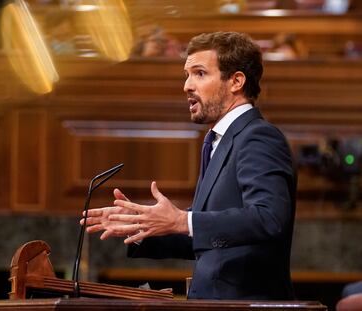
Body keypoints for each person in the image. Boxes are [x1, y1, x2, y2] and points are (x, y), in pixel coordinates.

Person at [84, 32, 296, 300]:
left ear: (236, 81)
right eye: (187, 75)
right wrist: (141, 226)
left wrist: (183, 220)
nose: (187, 85)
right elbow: (211, 234)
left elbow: (269, 219)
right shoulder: (220, 141)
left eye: (199, 73)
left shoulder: (257, 137)